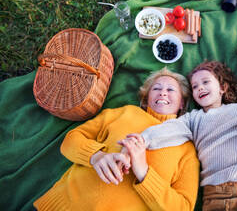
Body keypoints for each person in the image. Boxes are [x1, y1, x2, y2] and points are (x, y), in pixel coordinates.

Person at [120, 61, 237, 211]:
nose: (200, 87)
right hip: (213, 195)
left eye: (206, 82)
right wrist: (142, 140)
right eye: (194, 86)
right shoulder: (193, 118)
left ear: (222, 88)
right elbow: (168, 129)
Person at [33, 68, 200, 211]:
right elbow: (70, 141)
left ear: (181, 104)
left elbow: (183, 207)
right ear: (146, 98)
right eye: (156, 88)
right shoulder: (124, 112)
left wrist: (143, 172)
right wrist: (96, 156)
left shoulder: (186, 148)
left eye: (171, 90)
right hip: (68, 204)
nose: (163, 92)